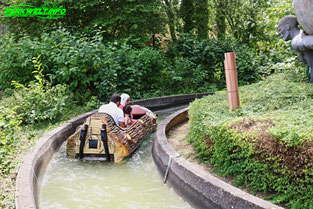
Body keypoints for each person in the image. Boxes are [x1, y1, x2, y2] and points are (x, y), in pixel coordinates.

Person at [278, 15, 313, 82]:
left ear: (287, 27)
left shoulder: (297, 41)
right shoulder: (301, 36)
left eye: (280, 30)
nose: (279, 33)